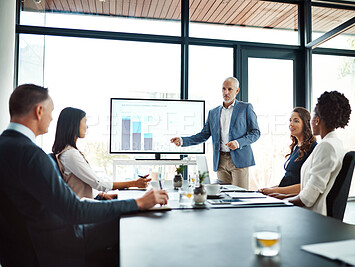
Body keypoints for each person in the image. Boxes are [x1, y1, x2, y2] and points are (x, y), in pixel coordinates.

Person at [0, 84, 169, 267]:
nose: (51, 118)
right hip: (56, 243)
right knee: (127, 222)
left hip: (19, 251)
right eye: (51, 111)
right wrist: (138, 203)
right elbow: (74, 210)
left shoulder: (6, 147)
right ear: (39, 111)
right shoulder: (31, 155)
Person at [267, 91, 351, 216]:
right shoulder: (335, 143)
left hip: (312, 218)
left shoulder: (326, 146)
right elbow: (310, 190)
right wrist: (280, 195)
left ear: (317, 120)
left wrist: (278, 202)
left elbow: (307, 198)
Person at [170, 77, 260, 189]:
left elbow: (255, 132)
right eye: (224, 89)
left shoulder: (245, 108)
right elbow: (203, 135)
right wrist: (183, 140)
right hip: (220, 161)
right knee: (223, 197)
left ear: (237, 91)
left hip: (239, 160)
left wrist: (238, 142)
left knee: (239, 196)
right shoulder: (213, 113)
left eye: (230, 89)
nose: (226, 92)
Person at [52, 107, 151, 200]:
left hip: (87, 202)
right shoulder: (70, 154)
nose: (87, 126)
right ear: (74, 124)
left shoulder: (66, 152)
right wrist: (134, 183)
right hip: (84, 209)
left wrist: (102, 195)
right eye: (85, 121)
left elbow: (85, 182)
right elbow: (99, 183)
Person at [258, 107, 317, 195]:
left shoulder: (313, 148)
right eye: (290, 120)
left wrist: (274, 191)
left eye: (296, 121)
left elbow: (306, 186)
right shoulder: (297, 147)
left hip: (293, 198)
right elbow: (287, 182)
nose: (291, 124)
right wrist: (267, 189)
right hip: (283, 195)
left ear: (306, 124)